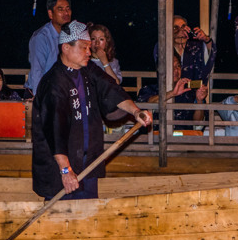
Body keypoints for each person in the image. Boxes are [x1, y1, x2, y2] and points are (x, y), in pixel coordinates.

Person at [31, 21, 152, 200]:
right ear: (65, 48)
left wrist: (136, 111)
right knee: (61, 221)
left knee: (89, 218)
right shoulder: (54, 84)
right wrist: (65, 171)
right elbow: (54, 130)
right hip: (63, 169)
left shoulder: (88, 69)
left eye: (89, 47)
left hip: (89, 162)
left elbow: (112, 89)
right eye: (83, 47)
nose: (89, 52)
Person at [153, 15, 216, 105]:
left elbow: (210, 56)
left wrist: (205, 39)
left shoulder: (196, 46)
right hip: (170, 94)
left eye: (183, 27)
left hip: (193, 96)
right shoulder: (163, 47)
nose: (181, 31)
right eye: (175, 28)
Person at [137, 52, 208, 124]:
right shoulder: (149, 89)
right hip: (157, 133)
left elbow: (197, 121)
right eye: (171, 66)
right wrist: (172, 93)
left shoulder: (189, 91)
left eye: (178, 66)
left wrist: (199, 101)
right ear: (161, 70)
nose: (176, 70)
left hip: (183, 133)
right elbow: (146, 104)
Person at [27, 0, 73, 93]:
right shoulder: (41, 37)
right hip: (42, 92)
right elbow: (37, 71)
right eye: (60, 9)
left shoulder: (72, 35)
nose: (66, 13)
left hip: (60, 93)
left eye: (68, 9)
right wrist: (38, 100)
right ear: (50, 14)